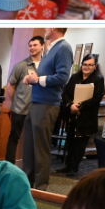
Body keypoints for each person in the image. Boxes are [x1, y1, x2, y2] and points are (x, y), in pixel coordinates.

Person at [20, 27, 72, 188]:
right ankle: (27, 183)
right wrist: (32, 78)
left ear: (55, 27)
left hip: (47, 104)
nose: (45, 28)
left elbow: (63, 77)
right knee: (29, 147)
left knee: (40, 149)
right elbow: (44, 76)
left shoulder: (64, 48)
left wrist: (38, 80)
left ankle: (41, 187)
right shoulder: (51, 48)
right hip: (37, 102)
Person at [59, 55, 105, 175]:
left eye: (90, 65)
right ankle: (67, 166)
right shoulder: (75, 77)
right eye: (85, 64)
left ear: (95, 66)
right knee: (70, 142)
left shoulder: (98, 79)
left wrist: (80, 106)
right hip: (72, 115)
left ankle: (74, 168)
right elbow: (65, 93)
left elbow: (97, 98)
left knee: (80, 144)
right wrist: (71, 105)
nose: (87, 67)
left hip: (86, 117)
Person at [4, 36, 43, 163]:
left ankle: (30, 165)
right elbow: (11, 85)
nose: (32, 48)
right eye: (30, 45)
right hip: (20, 109)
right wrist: (16, 101)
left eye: (35, 45)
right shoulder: (21, 65)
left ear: (42, 46)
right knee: (14, 137)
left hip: (38, 109)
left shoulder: (46, 66)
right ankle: (9, 163)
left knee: (33, 139)